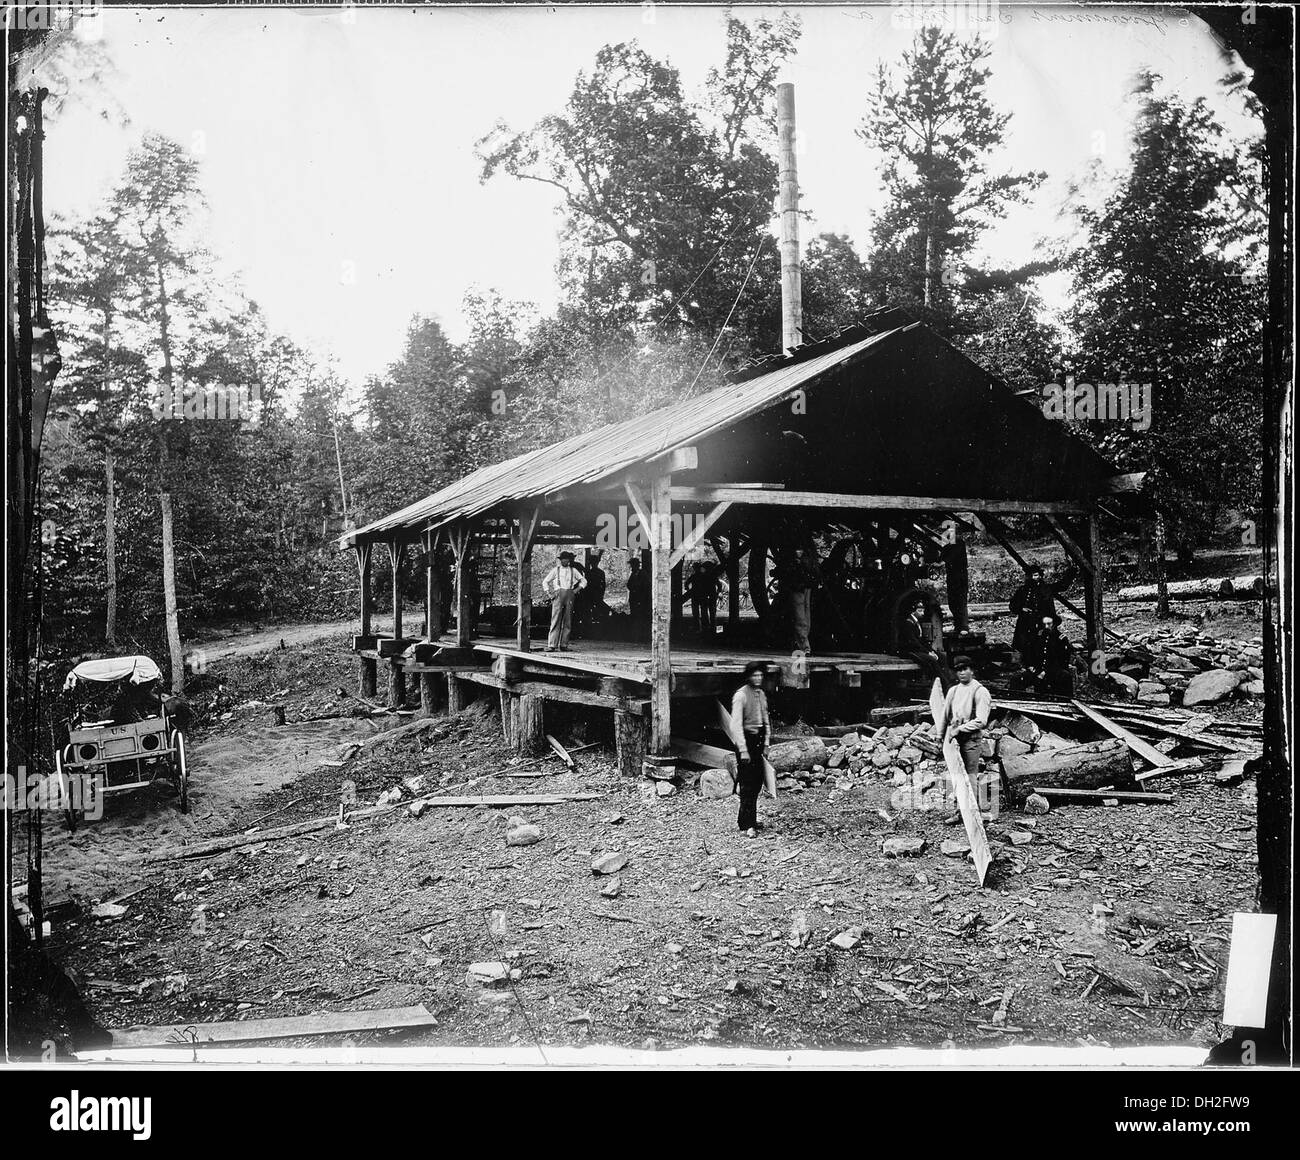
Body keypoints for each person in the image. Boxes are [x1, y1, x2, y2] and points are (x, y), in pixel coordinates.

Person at [939, 655, 994, 818]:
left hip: (971, 739)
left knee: (970, 776)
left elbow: (981, 720)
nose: (962, 673)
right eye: (958, 670)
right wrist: (940, 736)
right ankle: (960, 811)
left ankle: (973, 815)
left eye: (965, 669)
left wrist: (961, 729)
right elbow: (944, 715)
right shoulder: (953, 691)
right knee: (956, 776)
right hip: (954, 740)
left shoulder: (980, 691)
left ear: (972, 670)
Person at [729, 661, 771, 837]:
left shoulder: (760, 694)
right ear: (748, 676)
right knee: (747, 783)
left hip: (759, 740)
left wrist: (767, 742)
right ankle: (747, 824)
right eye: (755, 675)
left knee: (757, 782)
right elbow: (735, 725)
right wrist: (743, 749)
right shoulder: (741, 695)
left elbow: (766, 719)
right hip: (747, 740)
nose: (758, 678)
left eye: (760, 675)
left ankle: (750, 820)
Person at [1009, 563, 1077, 669]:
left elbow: (1063, 585)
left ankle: (1044, 666)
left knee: (1044, 644)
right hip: (1025, 623)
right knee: (1024, 645)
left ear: (1040, 576)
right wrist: (1021, 608)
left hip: (1043, 622)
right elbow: (1012, 605)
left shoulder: (1047, 589)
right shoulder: (1022, 590)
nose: (1033, 578)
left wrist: (1072, 572)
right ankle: (1027, 667)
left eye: (1035, 575)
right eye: (1030, 575)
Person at [776, 546, 821, 654]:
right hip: (801, 587)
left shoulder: (800, 561)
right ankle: (805, 646)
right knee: (802, 617)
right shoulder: (807, 560)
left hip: (802, 588)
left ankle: (803, 645)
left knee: (802, 617)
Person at [542, 549, 586, 651]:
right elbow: (545, 581)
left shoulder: (573, 570)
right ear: (560, 560)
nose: (564, 561)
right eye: (563, 559)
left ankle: (564, 645)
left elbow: (584, 581)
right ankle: (552, 645)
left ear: (569, 560)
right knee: (555, 619)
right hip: (558, 594)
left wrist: (576, 590)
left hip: (570, 594)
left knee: (568, 620)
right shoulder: (555, 570)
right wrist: (549, 593)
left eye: (566, 559)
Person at [898, 594, 947, 684]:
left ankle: (948, 679)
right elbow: (913, 642)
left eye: (923, 610)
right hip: (910, 651)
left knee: (941, 657)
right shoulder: (908, 623)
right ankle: (942, 683)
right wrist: (928, 653)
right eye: (920, 610)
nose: (922, 613)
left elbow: (922, 640)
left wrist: (931, 651)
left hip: (918, 649)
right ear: (913, 612)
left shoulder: (917, 622)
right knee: (931, 660)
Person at [1032, 614, 1075, 696]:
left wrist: (1045, 672)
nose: (1046, 626)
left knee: (1065, 677)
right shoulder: (1039, 637)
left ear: (1054, 624)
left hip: (1054, 671)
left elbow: (1061, 661)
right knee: (1017, 679)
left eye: (1049, 624)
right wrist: (1032, 667)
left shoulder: (1061, 639)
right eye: (1044, 624)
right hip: (1038, 670)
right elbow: (1033, 654)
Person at [941, 530, 971, 636]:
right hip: (952, 577)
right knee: (953, 603)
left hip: (960, 577)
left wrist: (942, 562)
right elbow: (942, 555)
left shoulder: (959, 543)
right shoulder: (948, 546)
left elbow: (951, 556)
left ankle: (963, 627)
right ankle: (958, 626)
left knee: (960, 601)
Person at [688, 560, 723, 640]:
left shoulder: (702, 576)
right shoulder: (712, 576)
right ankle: (712, 629)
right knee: (711, 612)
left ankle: (706, 629)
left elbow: (718, 585)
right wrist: (719, 592)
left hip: (705, 596)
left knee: (705, 612)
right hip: (710, 596)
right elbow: (719, 585)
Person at [627, 556, 651, 630]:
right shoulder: (632, 574)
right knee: (634, 616)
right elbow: (629, 585)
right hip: (634, 599)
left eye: (633, 565)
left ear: (637, 565)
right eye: (631, 565)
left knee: (642, 617)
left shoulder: (643, 574)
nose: (632, 567)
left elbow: (646, 586)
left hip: (641, 600)